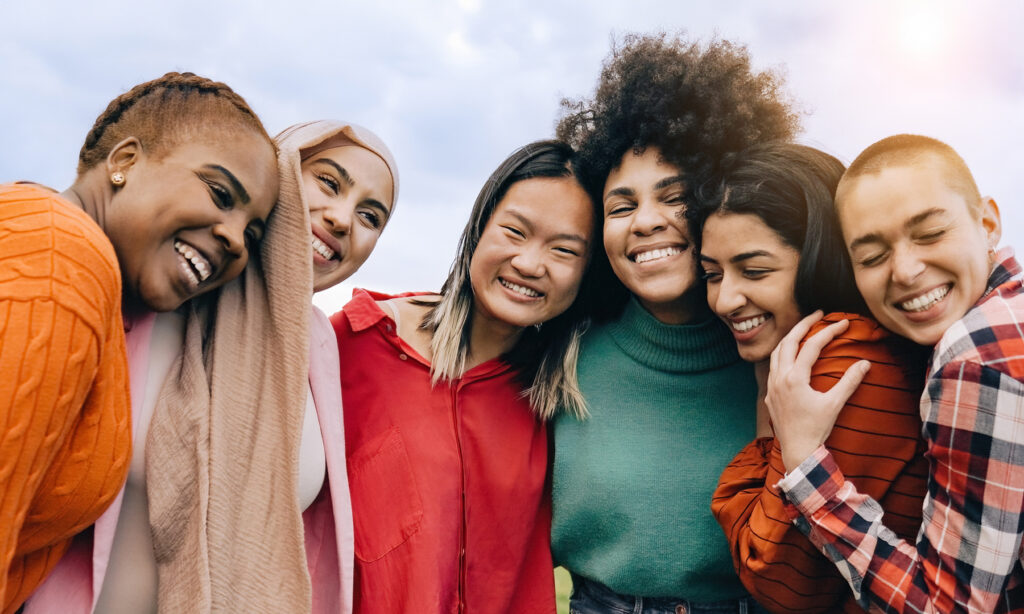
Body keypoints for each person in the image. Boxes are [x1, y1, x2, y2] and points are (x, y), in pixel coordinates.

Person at [3, 71, 278, 614]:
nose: (234, 239)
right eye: (220, 193)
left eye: (252, 232)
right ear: (124, 161)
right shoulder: (62, 256)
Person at [550, 33, 798, 613]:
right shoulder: (562, 353)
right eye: (621, 205)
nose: (646, 222)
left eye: (675, 196)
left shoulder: (783, 357)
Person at [332, 139, 597, 613]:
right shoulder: (350, 345)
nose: (530, 264)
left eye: (564, 250)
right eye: (515, 232)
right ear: (479, 227)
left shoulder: (573, 395)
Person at [767, 134, 1022, 613]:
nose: (904, 271)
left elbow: (950, 609)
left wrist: (803, 463)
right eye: (871, 257)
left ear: (987, 222)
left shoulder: (975, 357)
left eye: (929, 234)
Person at [693, 143, 928, 613]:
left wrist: (767, 413)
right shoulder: (858, 341)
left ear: (820, 255)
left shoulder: (836, 356)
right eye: (712, 273)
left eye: (754, 270)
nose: (724, 300)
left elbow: (777, 579)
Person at [277, 119, 398, 614]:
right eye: (328, 182)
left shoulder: (320, 342)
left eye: (370, 216)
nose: (344, 219)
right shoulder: (173, 304)